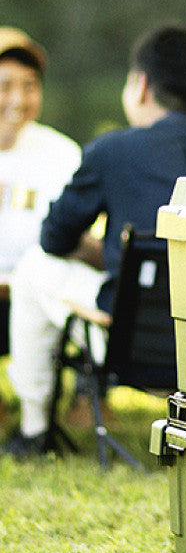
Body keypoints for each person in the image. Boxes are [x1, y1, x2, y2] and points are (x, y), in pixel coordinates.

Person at [2, 23, 186, 457]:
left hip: (131, 342)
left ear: (140, 86)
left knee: (34, 268)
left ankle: (33, 431)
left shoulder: (111, 152)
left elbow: (53, 240)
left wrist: (106, 252)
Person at [0, 27, 81, 355]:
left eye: (29, 86)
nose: (18, 100)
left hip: (37, 296)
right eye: (5, 86)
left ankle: (82, 396)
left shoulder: (62, 153)